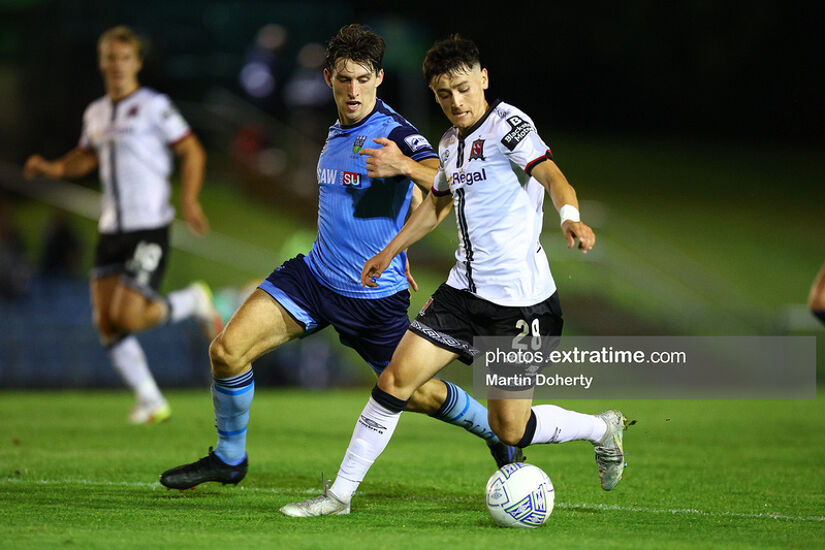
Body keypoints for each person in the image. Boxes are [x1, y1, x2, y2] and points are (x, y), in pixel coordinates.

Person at [159, 24, 522, 493]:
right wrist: (402, 236)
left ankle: (494, 430)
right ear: (329, 77)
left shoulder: (393, 131)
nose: (354, 91)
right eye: (345, 79)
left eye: (363, 79)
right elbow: (398, 201)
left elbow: (441, 176)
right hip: (313, 278)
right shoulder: (334, 131)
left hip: (372, 297)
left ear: (379, 79)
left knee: (422, 394)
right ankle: (229, 459)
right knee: (226, 352)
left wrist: (404, 170)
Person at [281, 35, 629, 517]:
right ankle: (339, 496)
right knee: (394, 379)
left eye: (464, 89)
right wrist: (389, 252)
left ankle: (599, 428)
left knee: (510, 428)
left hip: (520, 305)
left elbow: (551, 174)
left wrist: (570, 215)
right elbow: (438, 204)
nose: (456, 102)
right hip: (461, 292)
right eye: (444, 95)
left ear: (483, 79)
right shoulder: (448, 144)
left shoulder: (509, 124)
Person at [23, 26, 222, 424]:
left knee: (129, 316)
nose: (117, 65)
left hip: (149, 226)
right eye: (110, 57)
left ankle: (194, 302)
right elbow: (85, 156)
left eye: (125, 58)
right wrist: (53, 167)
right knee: (106, 321)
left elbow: (191, 150)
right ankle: (150, 399)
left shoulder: (154, 105)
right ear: (101, 62)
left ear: (137, 63)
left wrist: (189, 199)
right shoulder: (95, 112)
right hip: (111, 228)